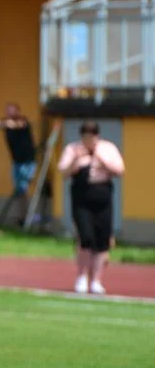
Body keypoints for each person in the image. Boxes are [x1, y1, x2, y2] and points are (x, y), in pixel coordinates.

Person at [57, 122, 125, 294]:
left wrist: (100, 159)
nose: (89, 139)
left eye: (92, 135)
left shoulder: (107, 148)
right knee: (85, 236)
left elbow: (119, 170)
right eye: (86, 135)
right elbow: (63, 172)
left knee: (102, 240)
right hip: (81, 195)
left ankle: (96, 280)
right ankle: (81, 277)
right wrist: (76, 161)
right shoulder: (73, 149)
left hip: (102, 193)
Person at [0, 102, 37, 225]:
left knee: (23, 188)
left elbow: (13, 125)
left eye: (12, 110)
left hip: (28, 161)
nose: (9, 113)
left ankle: (26, 218)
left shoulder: (23, 121)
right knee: (19, 191)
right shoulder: (4, 122)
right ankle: (22, 217)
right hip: (16, 162)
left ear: (18, 111)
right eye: (7, 110)